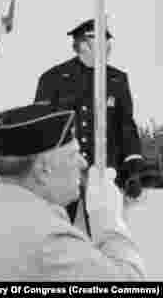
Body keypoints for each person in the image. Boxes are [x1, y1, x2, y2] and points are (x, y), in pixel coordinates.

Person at [0, 100, 146, 292]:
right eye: (74, 155)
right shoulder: (49, 240)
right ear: (44, 169)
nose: (83, 164)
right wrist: (108, 218)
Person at [34, 19, 147, 231]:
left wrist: (133, 170)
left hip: (104, 173)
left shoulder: (117, 79)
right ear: (84, 44)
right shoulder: (53, 78)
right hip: (63, 173)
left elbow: (126, 126)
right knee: (55, 235)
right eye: (103, 41)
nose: (109, 46)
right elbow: (41, 128)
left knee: (104, 237)